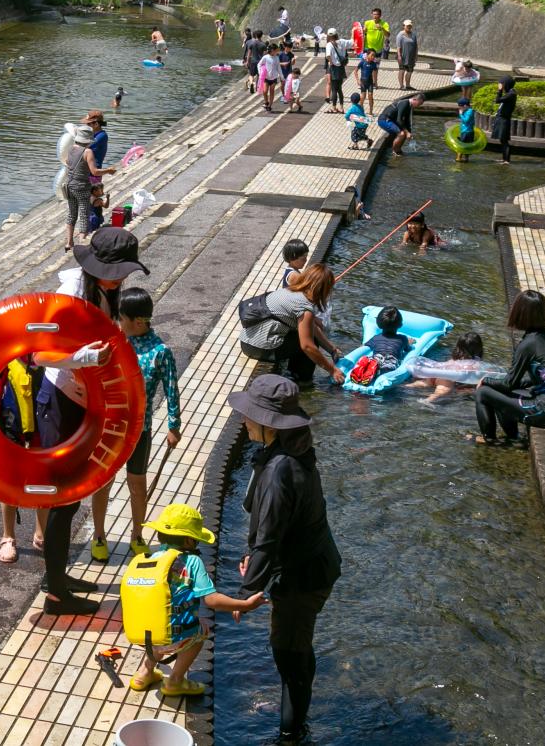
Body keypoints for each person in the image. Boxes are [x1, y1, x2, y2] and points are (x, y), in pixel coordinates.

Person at [32, 228, 149, 614]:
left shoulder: (107, 291)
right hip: (59, 400)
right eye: (111, 271)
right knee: (64, 499)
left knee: (75, 496)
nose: (118, 279)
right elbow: (40, 357)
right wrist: (81, 359)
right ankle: (55, 596)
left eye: (122, 273)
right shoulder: (68, 295)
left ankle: (58, 576)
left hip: (85, 399)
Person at [229, 376, 341, 746]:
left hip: (304, 577)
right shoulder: (290, 451)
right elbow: (269, 534)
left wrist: (247, 593)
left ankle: (290, 736)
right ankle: (297, 716)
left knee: (288, 655)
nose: (244, 422)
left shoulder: (279, 470)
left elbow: (269, 538)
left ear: (268, 424)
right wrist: (254, 562)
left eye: (249, 416)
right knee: (296, 647)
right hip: (312, 565)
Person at [127, 503, 264, 697]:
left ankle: (144, 673)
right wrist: (246, 604)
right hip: (172, 639)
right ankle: (175, 681)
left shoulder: (150, 558)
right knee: (201, 632)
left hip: (143, 636)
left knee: (160, 622)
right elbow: (212, 600)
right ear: (190, 541)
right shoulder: (192, 562)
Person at [97, 287, 181, 558]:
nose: (118, 323)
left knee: (137, 483)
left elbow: (171, 389)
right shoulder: (114, 343)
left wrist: (173, 425)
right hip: (109, 428)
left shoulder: (160, 352)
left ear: (136, 320)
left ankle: (137, 535)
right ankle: (99, 536)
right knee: (103, 482)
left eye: (121, 318)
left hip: (139, 431)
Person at [471, 290, 545, 446]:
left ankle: (490, 440)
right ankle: (513, 438)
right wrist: (497, 381)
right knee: (502, 391)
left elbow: (509, 383)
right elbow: (533, 379)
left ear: (519, 313)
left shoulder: (528, 344)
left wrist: (485, 380)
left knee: (483, 392)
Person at [241, 265, 345, 386]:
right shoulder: (304, 308)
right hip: (259, 348)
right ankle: (302, 381)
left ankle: (292, 373)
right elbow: (307, 346)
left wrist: (332, 350)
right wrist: (332, 370)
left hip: (247, 340)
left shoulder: (290, 290)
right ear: (322, 289)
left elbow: (312, 327)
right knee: (311, 343)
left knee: (306, 334)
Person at [0, 355, 47, 563]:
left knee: (44, 480)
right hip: (12, 428)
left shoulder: (49, 357)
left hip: (42, 428)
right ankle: (8, 537)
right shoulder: (7, 359)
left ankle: (41, 533)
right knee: (10, 483)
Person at [61, 123, 114, 251]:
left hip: (69, 186)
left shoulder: (71, 148)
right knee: (84, 215)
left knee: (72, 214)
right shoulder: (88, 151)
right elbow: (94, 171)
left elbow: (68, 164)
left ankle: (69, 243)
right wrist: (108, 170)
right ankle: (82, 244)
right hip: (82, 187)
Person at [414, 331, 489, 402]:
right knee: (441, 391)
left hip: (437, 372)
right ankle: (428, 400)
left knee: (424, 383)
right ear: (479, 348)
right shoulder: (476, 363)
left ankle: (407, 386)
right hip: (447, 378)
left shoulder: (455, 358)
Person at [366, 306, 410, 370]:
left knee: (376, 361)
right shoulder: (403, 339)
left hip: (376, 362)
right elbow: (407, 349)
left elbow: (364, 346)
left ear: (378, 324)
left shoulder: (375, 338)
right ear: (400, 324)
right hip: (392, 365)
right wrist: (409, 343)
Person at [493, 76, 518, 165]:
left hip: (504, 119)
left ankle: (506, 160)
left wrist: (499, 90)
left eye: (501, 84)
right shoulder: (510, 92)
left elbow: (497, 100)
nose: (500, 85)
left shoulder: (511, 94)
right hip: (502, 118)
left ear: (506, 84)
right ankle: (504, 159)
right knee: (502, 140)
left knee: (504, 140)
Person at [324, 28, 348, 112]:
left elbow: (328, 56)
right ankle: (341, 108)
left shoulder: (329, 44)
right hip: (341, 68)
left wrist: (331, 62)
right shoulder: (341, 42)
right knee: (340, 89)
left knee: (334, 89)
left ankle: (334, 107)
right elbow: (352, 43)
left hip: (334, 68)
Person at [452, 96, 479, 163]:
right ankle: (461, 158)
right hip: (465, 131)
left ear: (465, 106)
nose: (460, 109)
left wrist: (461, 114)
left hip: (467, 132)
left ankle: (461, 158)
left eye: (460, 107)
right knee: (464, 145)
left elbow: (466, 120)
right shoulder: (467, 110)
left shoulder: (470, 111)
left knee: (463, 145)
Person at [395, 20, 419, 90]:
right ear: (404, 26)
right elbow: (398, 47)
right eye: (407, 26)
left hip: (411, 56)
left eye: (410, 26)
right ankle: (401, 86)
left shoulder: (413, 35)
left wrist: (416, 55)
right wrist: (399, 56)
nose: (409, 27)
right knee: (402, 70)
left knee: (410, 71)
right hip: (403, 56)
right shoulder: (400, 35)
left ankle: (408, 85)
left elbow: (416, 46)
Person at [259, 44, 283, 112]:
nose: (277, 52)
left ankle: (269, 105)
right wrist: (260, 72)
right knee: (265, 91)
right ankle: (266, 101)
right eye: (276, 50)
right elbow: (259, 64)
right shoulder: (265, 57)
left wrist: (282, 77)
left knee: (272, 91)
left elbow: (279, 68)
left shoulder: (277, 58)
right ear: (272, 50)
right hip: (266, 77)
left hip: (274, 78)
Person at [356, 48, 379, 114]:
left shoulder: (374, 64)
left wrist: (376, 83)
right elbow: (355, 71)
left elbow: (375, 74)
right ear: (367, 55)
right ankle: (360, 111)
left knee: (370, 96)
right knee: (363, 97)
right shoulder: (362, 62)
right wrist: (358, 80)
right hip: (363, 82)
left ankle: (371, 111)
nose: (373, 57)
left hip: (370, 83)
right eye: (372, 55)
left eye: (374, 56)